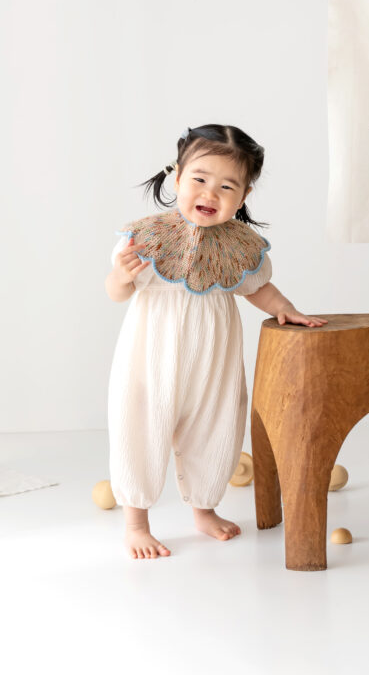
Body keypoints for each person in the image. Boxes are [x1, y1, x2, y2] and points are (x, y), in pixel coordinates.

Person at [104, 123, 327, 560]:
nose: (210, 193)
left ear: (243, 197)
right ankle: (135, 523)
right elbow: (116, 293)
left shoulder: (240, 245)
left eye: (227, 186)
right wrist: (120, 276)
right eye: (200, 179)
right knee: (141, 425)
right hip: (150, 354)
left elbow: (258, 288)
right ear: (177, 178)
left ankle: (204, 510)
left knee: (216, 423)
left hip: (214, 356)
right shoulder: (145, 237)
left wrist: (286, 308)